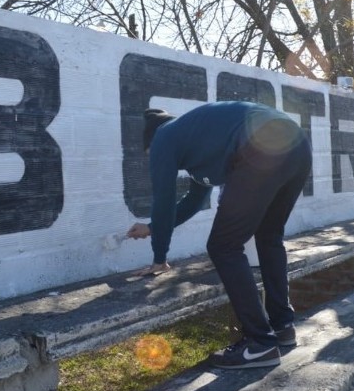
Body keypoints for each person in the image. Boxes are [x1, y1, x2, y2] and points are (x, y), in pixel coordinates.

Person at [126, 101, 312, 370]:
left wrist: (159, 258)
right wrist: (154, 227)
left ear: (151, 143)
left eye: (149, 154)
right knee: (268, 236)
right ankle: (282, 326)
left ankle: (260, 344)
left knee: (224, 246)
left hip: (259, 144)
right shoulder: (197, 140)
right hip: (296, 144)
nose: (153, 159)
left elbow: (164, 199)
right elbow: (192, 201)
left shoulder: (163, 138)